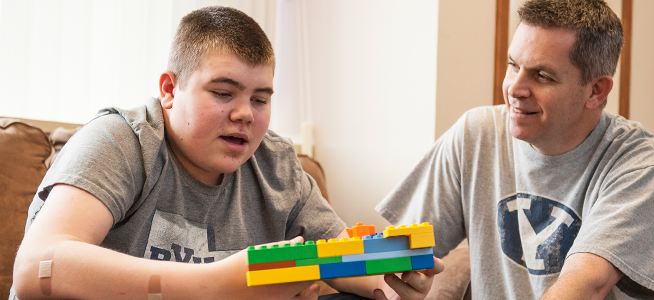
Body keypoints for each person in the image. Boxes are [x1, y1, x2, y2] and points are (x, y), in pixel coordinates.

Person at [11, 6, 443, 300]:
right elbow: (35, 268)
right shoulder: (121, 140)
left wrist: (385, 280)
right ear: (169, 90)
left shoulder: (276, 164)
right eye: (223, 92)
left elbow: (333, 256)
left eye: (260, 99)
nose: (244, 115)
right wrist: (213, 284)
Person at [376, 0, 654, 299]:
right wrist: (395, 281)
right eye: (513, 65)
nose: (514, 88)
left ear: (596, 90)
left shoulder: (642, 167)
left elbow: (585, 288)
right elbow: (400, 255)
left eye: (542, 76)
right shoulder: (476, 134)